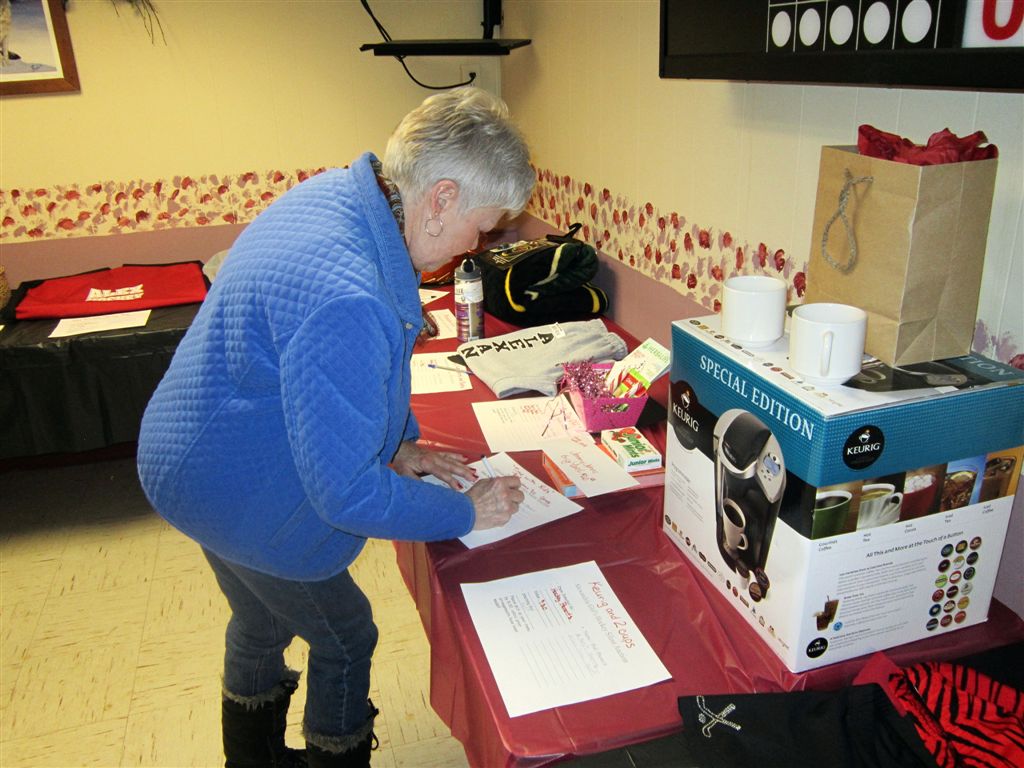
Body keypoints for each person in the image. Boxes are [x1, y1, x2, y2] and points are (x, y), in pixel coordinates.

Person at [136, 87, 533, 768]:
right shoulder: (349, 296)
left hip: (189, 456)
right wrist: (465, 510)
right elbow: (347, 495)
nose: (478, 245)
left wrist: (399, 444)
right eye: (484, 227)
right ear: (441, 198)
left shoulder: (340, 196)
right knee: (346, 636)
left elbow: (336, 375)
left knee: (260, 619)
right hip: (227, 483)